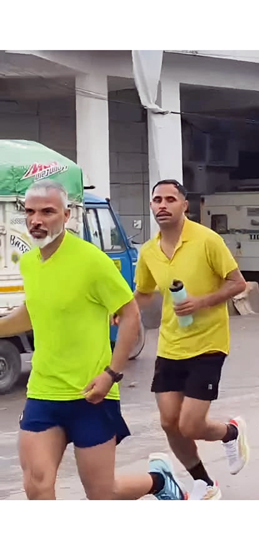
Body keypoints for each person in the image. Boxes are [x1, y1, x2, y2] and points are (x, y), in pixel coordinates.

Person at [9, 180, 187, 500]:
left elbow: (130, 313)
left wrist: (111, 374)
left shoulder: (91, 261)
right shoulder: (30, 263)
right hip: (44, 391)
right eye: (30, 212)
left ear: (67, 215)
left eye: (47, 212)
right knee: (36, 484)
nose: (36, 220)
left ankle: (159, 482)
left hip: (91, 394)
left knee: (103, 492)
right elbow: (32, 312)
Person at [133, 179, 249, 500]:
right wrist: (119, 311)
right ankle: (205, 483)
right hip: (171, 345)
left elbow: (238, 283)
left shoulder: (206, 240)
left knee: (191, 425)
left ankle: (231, 432)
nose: (162, 205)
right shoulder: (149, 251)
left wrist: (201, 302)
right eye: (157, 200)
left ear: (184, 205)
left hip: (208, 344)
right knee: (169, 422)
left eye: (170, 199)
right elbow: (144, 293)